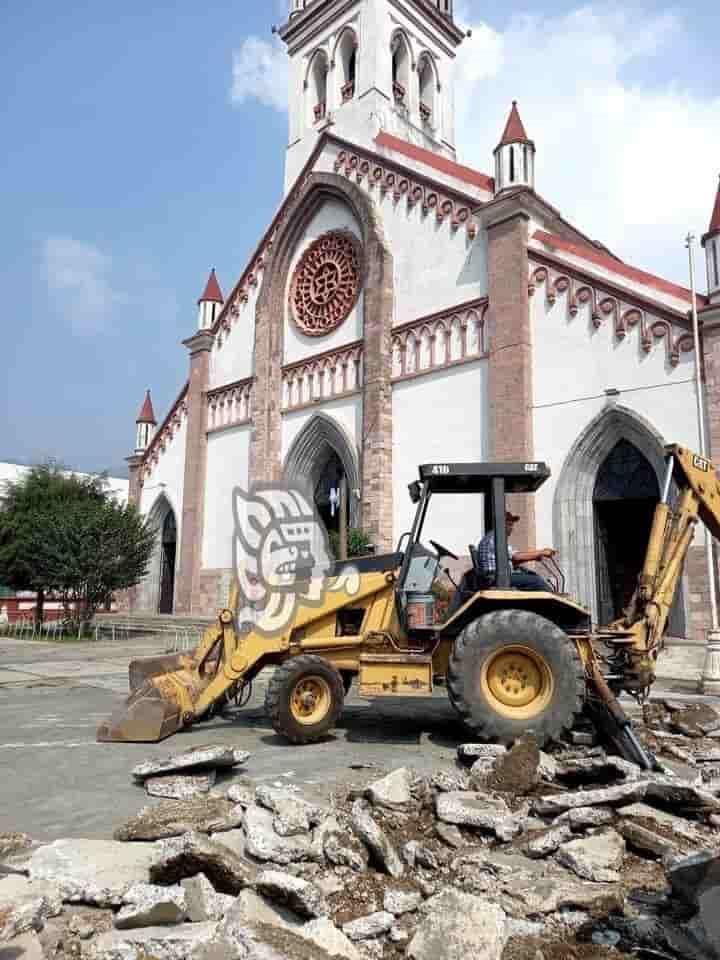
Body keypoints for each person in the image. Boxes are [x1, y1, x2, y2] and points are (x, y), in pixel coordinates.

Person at [478, 510, 555, 591]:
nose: (512, 528)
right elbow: (516, 557)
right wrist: (542, 552)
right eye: (509, 525)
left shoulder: (492, 537)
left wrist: (533, 557)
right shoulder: (496, 538)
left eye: (512, 525)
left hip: (498, 575)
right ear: (501, 525)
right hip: (496, 577)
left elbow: (512, 560)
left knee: (531, 575)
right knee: (536, 581)